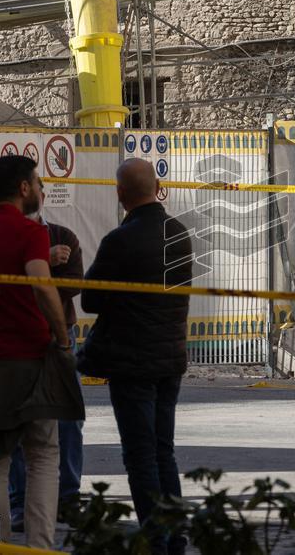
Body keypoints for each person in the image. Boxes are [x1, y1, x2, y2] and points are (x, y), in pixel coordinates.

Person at [0, 155, 84, 549]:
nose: (41, 189)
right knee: (42, 455)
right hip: (30, 359)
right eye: (38, 182)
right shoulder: (31, 232)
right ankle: (40, 546)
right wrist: (61, 339)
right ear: (24, 188)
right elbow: (43, 287)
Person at [78, 158, 192, 555]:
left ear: (120, 194)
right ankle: (175, 534)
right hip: (170, 358)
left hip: (132, 362)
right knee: (164, 450)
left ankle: (156, 539)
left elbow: (90, 299)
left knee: (141, 455)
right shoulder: (180, 233)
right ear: (157, 186)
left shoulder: (120, 240)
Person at [9, 180, 85, 532]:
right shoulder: (6, 235)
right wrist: (43, 262)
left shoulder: (64, 236)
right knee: (21, 423)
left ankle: (68, 497)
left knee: (68, 420)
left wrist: (43, 273)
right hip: (20, 338)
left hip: (59, 335)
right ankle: (22, 503)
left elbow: (74, 286)